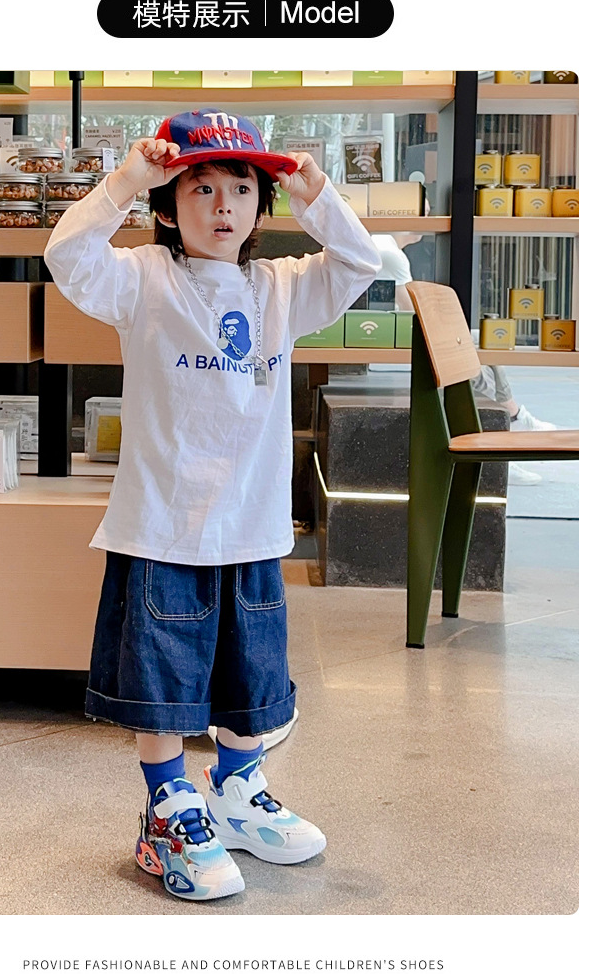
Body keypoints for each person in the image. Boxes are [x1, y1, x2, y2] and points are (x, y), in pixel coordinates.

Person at [44, 110, 381, 902]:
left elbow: (359, 261)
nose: (223, 205)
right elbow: (67, 254)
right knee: (163, 679)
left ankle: (236, 789)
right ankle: (167, 807)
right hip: (164, 528)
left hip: (253, 528)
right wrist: (127, 180)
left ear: (262, 208)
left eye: (241, 188)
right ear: (168, 205)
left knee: (250, 675)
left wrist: (316, 195)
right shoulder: (143, 279)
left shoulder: (282, 288)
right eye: (201, 188)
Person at [372, 231, 557, 485]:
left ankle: (510, 420)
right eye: (425, 212)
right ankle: (503, 438)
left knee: (482, 343)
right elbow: (411, 310)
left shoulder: (386, 245)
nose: (429, 216)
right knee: (472, 355)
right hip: (392, 333)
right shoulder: (392, 253)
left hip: (391, 328)